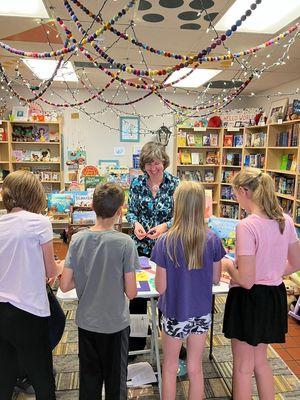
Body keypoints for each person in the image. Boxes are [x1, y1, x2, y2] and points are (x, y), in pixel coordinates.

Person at [222, 168, 300, 400]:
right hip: (274, 297)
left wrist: (227, 266)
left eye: (236, 193)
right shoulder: (284, 220)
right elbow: (296, 262)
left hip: (250, 300)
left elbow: (245, 281)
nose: (236, 198)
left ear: (245, 191)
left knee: (242, 366)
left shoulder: (247, 226)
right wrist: (272, 271)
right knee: (261, 362)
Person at [59, 183, 139, 400]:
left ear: (92, 207)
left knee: (89, 379)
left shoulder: (77, 239)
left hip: (87, 322)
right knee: (116, 382)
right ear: (120, 210)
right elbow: (131, 292)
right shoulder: (126, 243)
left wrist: (88, 275)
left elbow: (65, 285)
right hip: (115, 324)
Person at [151, 181, 226, 400]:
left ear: (177, 206)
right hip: (201, 313)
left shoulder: (164, 242)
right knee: (195, 367)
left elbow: (160, 287)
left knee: (170, 367)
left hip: (174, 313)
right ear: (202, 206)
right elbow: (215, 279)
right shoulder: (212, 239)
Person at [0, 170, 63, 400]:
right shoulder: (40, 222)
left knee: (4, 377)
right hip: (29, 311)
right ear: (34, 194)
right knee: (43, 380)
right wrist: (63, 264)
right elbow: (50, 271)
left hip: (1, 310)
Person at [126, 141, 179, 352]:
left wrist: (166, 226)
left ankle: (168, 339)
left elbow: (181, 216)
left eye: (156, 163)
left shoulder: (175, 184)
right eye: (148, 164)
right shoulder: (137, 183)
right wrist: (136, 224)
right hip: (140, 247)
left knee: (165, 292)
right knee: (138, 296)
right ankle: (137, 340)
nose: (153, 168)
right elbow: (130, 211)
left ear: (164, 162)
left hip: (167, 247)